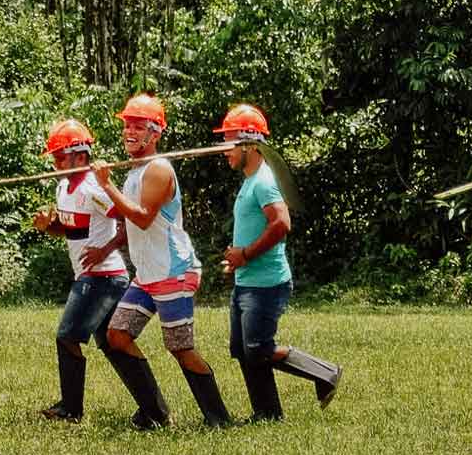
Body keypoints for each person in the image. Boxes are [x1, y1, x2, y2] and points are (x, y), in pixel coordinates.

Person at [94, 93, 234, 429]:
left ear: (155, 134)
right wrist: (102, 199)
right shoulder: (135, 172)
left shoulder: (157, 169)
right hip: (148, 273)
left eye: (138, 126)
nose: (129, 131)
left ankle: (218, 418)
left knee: (179, 346)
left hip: (174, 271)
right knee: (117, 335)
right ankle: (154, 412)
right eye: (126, 124)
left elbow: (142, 217)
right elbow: (128, 217)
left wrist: (107, 185)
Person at [214, 104, 341, 420]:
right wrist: (237, 261)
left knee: (257, 349)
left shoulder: (264, 182)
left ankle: (325, 372)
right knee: (243, 350)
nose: (224, 150)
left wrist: (245, 254)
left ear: (249, 144)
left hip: (266, 284)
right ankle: (267, 413)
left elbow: (282, 224)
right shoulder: (249, 179)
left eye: (229, 142)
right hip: (247, 280)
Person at [33, 117, 130, 422]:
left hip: (104, 277)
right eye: (54, 158)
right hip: (88, 275)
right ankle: (154, 408)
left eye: (60, 157)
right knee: (112, 343)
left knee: (67, 336)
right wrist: (49, 227)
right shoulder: (64, 187)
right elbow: (70, 231)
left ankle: (71, 409)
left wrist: (105, 249)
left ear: (80, 155)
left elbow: (127, 222)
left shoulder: (93, 188)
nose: (56, 163)